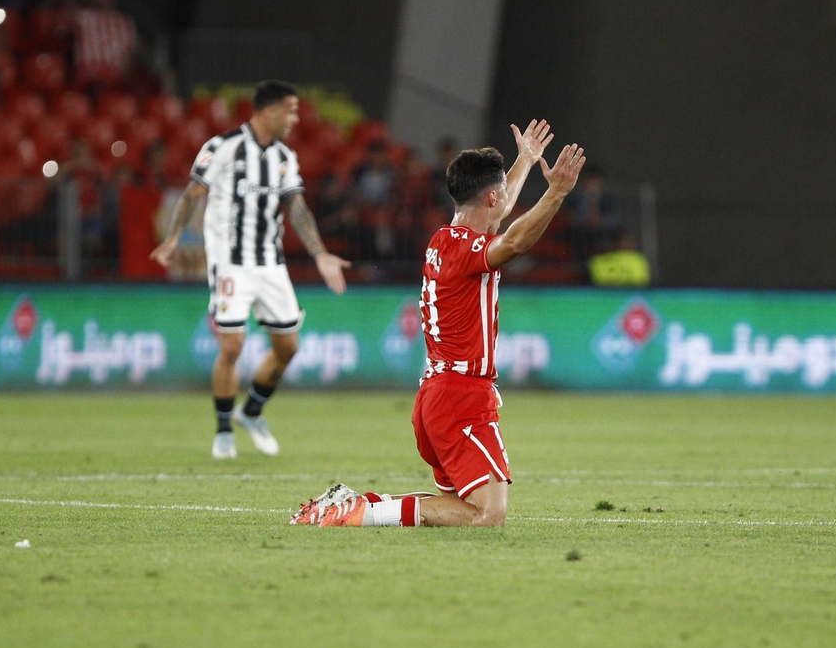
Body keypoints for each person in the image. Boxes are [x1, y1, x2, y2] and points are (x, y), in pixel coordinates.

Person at [291, 121, 584, 528]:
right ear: (492, 196)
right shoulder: (470, 250)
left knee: (456, 507)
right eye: (500, 193)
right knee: (488, 515)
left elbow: (496, 212)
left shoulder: (443, 240)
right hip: (462, 398)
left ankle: (354, 506)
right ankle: (357, 512)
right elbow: (515, 241)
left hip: (436, 395)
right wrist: (556, 193)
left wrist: (525, 160)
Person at [150, 80, 352, 460]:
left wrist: (320, 253)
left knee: (288, 347)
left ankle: (252, 412)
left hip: (270, 263)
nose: (295, 119)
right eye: (290, 111)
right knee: (232, 345)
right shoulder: (221, 147)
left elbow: (297, 207)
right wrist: (174, 237)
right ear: (269, 111)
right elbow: (193, 193)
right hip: (231, 263)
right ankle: (224, 430)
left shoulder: (284, 157)